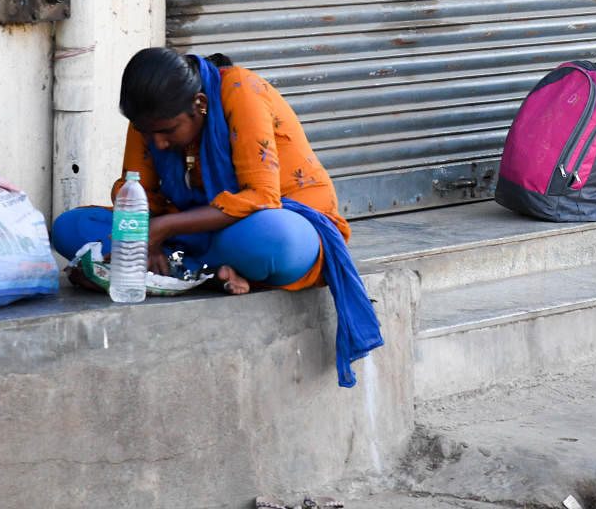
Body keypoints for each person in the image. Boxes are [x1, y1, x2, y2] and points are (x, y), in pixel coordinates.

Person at [51, 47, 382, 386]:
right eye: (147, 133)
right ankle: (204, 270)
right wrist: (144, 236)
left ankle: (181, 270)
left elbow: (261, 197)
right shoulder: (149, 117)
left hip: (277, 219)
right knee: (68, 227)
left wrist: (160, 230)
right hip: (194, 231)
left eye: (168, 131)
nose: (158, 143)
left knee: (273, 241)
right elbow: (136, 192)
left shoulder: (241, 91)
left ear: (200, 104)